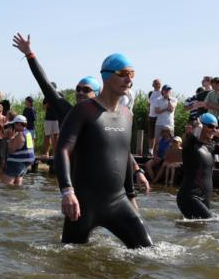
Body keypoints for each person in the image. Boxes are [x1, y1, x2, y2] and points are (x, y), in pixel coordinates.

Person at [54, 53, 153, 248]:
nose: (129, 79)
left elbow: (123, 155)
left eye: (132, 74)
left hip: (118, 201)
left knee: (149, 254)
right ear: (107, 76)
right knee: (69, 261)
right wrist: (67, 191)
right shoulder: (84, 110)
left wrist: (132, 195)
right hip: (83, 204)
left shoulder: (127, 115)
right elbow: (62, 150)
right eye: (124, 74)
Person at [11, 32, 100, 125]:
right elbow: (45, 84)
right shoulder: (67, 111)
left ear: (97, 94)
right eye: (78, 89)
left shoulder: (103, 118)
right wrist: (29, 53)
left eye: (86, 89)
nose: (80, 92)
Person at [176, 113, 219, 219]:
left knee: (202, 231)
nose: (214, 130)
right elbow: (190, 139)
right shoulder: (190, 146)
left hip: (204, 197)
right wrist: (197, 128)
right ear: (202, 126)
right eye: (211, 126)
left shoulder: (212, 147)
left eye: (216, 127)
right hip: (189, 196)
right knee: (210, 221)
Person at [2, 115, 35, 186]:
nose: (13, 126)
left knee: (7, 186)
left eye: (14, 124)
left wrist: (10, 138)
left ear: (19, 124)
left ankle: (7, 197)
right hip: (25, 163)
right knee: (17, 185)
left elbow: (11, 150)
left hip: (16, 162)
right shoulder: (28, 133)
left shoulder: (20, 135)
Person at [146, 79, 164, 157]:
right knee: (151, 134)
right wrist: (148, 114)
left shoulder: (162, 93)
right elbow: (149, 105)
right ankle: (150, 151)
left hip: (158, 117)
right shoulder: (151, 93)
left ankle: (157, 152)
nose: (157, 84)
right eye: (155, 83)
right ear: (153, 85)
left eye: (158, 83)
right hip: (151, 116)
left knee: (158, 135)